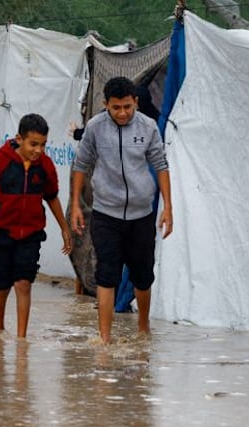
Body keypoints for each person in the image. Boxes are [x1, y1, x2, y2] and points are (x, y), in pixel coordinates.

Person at [70, 77, 173, 344]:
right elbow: (81, 165)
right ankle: (105, 339)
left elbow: (161, 165)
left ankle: (143, 328)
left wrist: (168, 207)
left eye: (128, 106)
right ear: (106, 105)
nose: (123, 113)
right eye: (116, 108)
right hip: (106, 214)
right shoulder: (95, 128)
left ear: (136, 102)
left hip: (141, 215)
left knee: (143, 276)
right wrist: (76, 207)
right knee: (107, 275)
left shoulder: (148, 127)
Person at [0, 113, 72, 338]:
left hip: (31, 234)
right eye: (33, 144)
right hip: (1, 232)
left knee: (24, 282)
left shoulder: (45, 166)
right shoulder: (0, 161)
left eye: (43, 145)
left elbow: (52, 197)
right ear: (19, 139)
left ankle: (21, 339)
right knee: (1, 284)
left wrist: (64, 227)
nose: (38, 150)